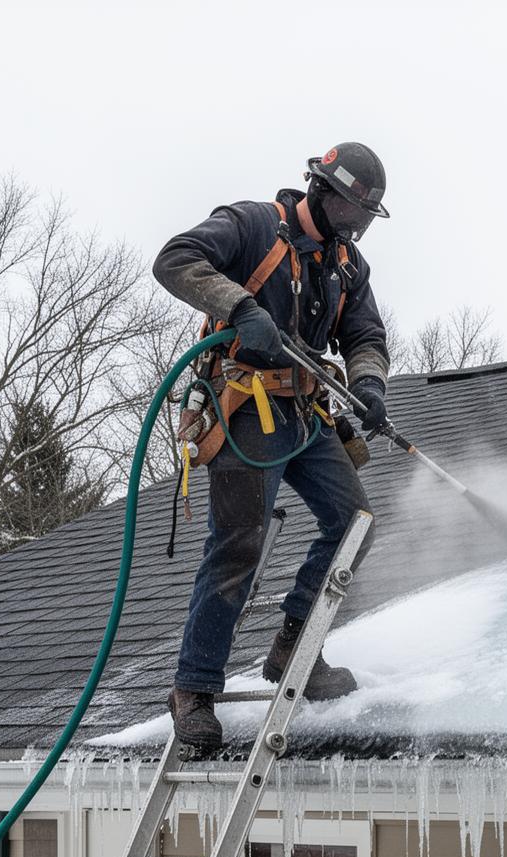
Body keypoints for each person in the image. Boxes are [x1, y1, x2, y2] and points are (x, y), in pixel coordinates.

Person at [152, 142, 392, 759]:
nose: (354, 229)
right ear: (319, 189)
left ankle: (295, 645)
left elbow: (365, 333)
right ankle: (193, 690)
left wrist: (368, 383)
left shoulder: (346, 266)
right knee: (239, 543)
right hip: (243, 407)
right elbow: (174, 259)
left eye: (363, 221)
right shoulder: (254, 225)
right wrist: (239, 306)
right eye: (348, 214)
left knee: (354, 522)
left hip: (304, 412)